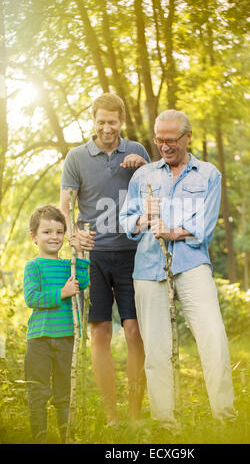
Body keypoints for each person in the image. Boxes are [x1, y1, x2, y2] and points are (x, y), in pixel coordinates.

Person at [120, 109, 236, 425]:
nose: (165, 146)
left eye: (172, 140)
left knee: (213, 337)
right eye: (160, 140)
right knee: (156, 350)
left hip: (191, 264)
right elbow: (125, 220)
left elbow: (205, 225)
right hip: (148, 268)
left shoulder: (209, 175)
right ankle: (165, 423)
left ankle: (225, 417)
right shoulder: (143, 176)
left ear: (187, 137)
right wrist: (145, 217)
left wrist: (170, 231)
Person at [60, 93, 150, 425]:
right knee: (99, 332)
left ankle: (136, 413)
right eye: (101, 121)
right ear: (93, 120)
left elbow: (155, 193)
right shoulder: (76, 157)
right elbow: (65, 207)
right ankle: (112, 415)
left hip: (132, 254)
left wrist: (144, 169)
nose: (107, 127)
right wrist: (72, 235)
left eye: (113, 121)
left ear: (121, 122)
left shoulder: (137, 151)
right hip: (94, 257)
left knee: (133, 331)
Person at [23, 205, 90, 443]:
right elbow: (32, 298)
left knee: (64, 393)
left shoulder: (67, 266)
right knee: (38, 390)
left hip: (65, 337)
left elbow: (83, 279)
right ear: (34, 237)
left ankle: (66, 436)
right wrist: (61, 292)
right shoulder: (34, 266)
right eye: (47, 232)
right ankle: (39, 437)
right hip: (39, 339)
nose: (54, 237)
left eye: (59, 232)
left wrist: (79, 253)